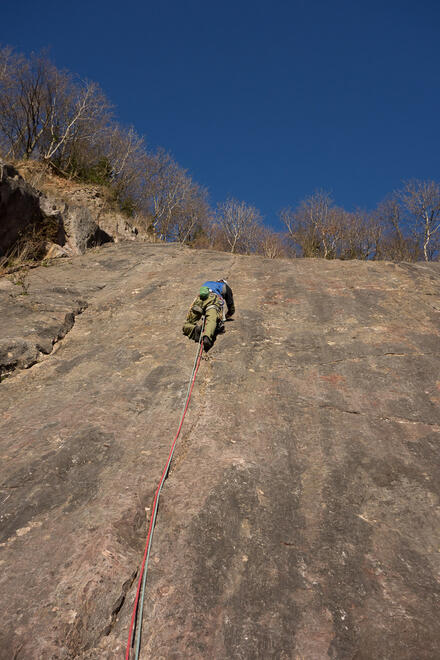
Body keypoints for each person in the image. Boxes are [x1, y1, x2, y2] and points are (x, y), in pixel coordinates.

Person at [182, 279, 235, 351]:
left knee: (188, 323)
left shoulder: (208, 283)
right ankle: (207, 337)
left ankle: (193, 329)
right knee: (212, 320)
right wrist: (227, 315)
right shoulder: (225, 286)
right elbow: (230, 305)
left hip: (199, 300)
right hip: (212, 299)